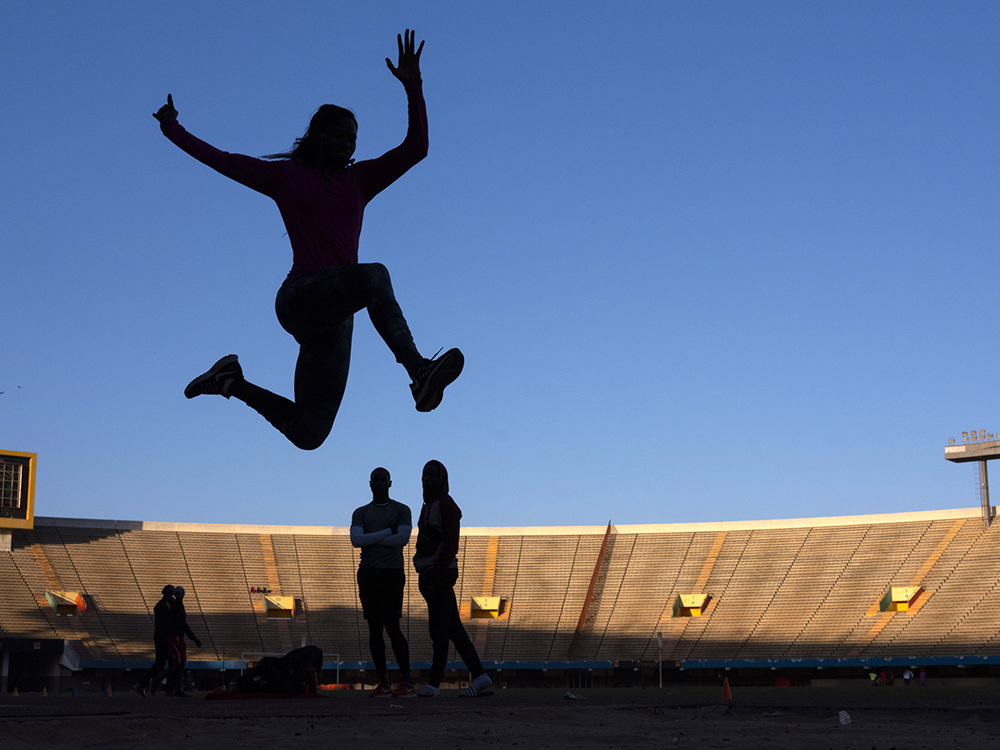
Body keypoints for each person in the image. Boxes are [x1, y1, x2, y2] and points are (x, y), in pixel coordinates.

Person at [153, 30, 463, 450]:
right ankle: (417, 369)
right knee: (374, 276)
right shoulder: (287, 176)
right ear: (317, 135)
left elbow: (417, 148)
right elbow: (222, 160)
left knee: (310, 432)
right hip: (300, 298)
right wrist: (173, 128)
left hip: (336, 319)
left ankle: (230, 381)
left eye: (353, 139)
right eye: (339, 135)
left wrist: (413, 85)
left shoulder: (360, 180)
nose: (348, 144)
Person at [413, 460, 491, 697]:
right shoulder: (428, 506)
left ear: (441, 479)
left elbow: (451, 544)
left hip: (440, 573)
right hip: (431, 573)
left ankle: (434, 683)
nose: (426, 479)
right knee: (453, 630)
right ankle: (480, 675)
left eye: (431, 475)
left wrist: (436, 570)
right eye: (424, 474)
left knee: (440, 631)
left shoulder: (445, 505)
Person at [351, 467, 414, 698]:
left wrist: (372, 539)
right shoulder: (360, 512)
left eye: (382, 480)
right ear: (370, 484)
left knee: (393, 626)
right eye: (375, 480)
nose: (378, 484)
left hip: (392, 573)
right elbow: (356, 540)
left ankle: (406, 681)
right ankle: (384, 683)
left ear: (390, 483)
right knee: (374, 629)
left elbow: (404, 539)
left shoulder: (401, 509)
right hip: (368, 572)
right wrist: (387, 532)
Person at [132, 584, 174, 697]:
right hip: (165, 635)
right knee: (173, 663)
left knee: (160, 663)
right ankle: (168, 688)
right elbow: (169, 621)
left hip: (158, 635)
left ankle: (142, 685)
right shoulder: (168, 604)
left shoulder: (159, 604)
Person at [161, 586, 202, 697]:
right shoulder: (178, 606)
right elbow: (183, 624)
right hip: (176, 636)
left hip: (176, 636)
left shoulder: (175, 605)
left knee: (180, 663)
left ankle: (176, 688)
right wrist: (194, 639)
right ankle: (162, 680)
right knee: (179, 664)